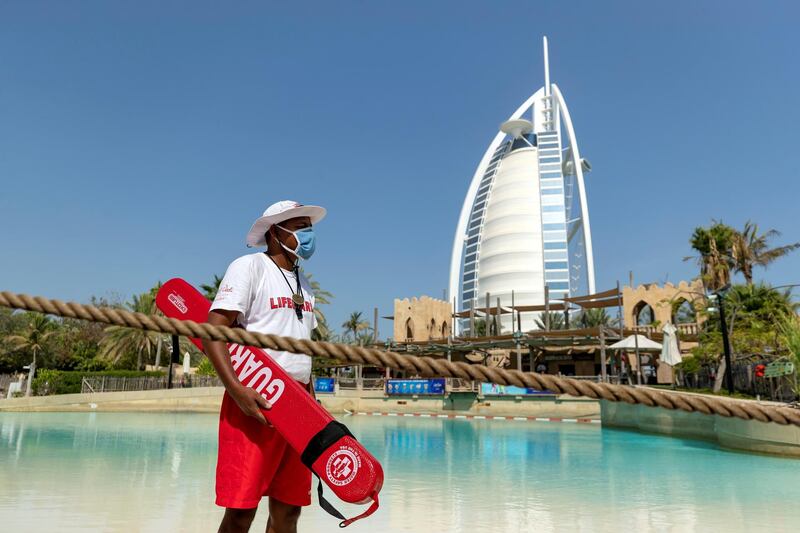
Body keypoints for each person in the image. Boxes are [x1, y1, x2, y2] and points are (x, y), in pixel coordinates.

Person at [202, 200, 325, 533]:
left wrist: (314, 408)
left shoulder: (305, 284)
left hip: (298, 407)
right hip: (256, 398)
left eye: (309, 227)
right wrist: (237, 390)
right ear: (276, 232)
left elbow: (302, 351)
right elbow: (214, 330)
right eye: (301, 227)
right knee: (242, 512)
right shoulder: (250, 267)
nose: (309, 235)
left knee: (289, 511)